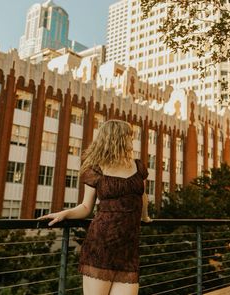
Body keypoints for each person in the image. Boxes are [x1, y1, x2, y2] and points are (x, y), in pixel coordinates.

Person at [38, 119, 151, 295]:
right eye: (129, 136)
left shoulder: (138, 166)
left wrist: (145, 217)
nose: (132, 140)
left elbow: (143, 197)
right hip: (101, 245)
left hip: (128, 249)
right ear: (117, 138)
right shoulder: (95, 170)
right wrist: (64, 214)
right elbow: (85, 207)